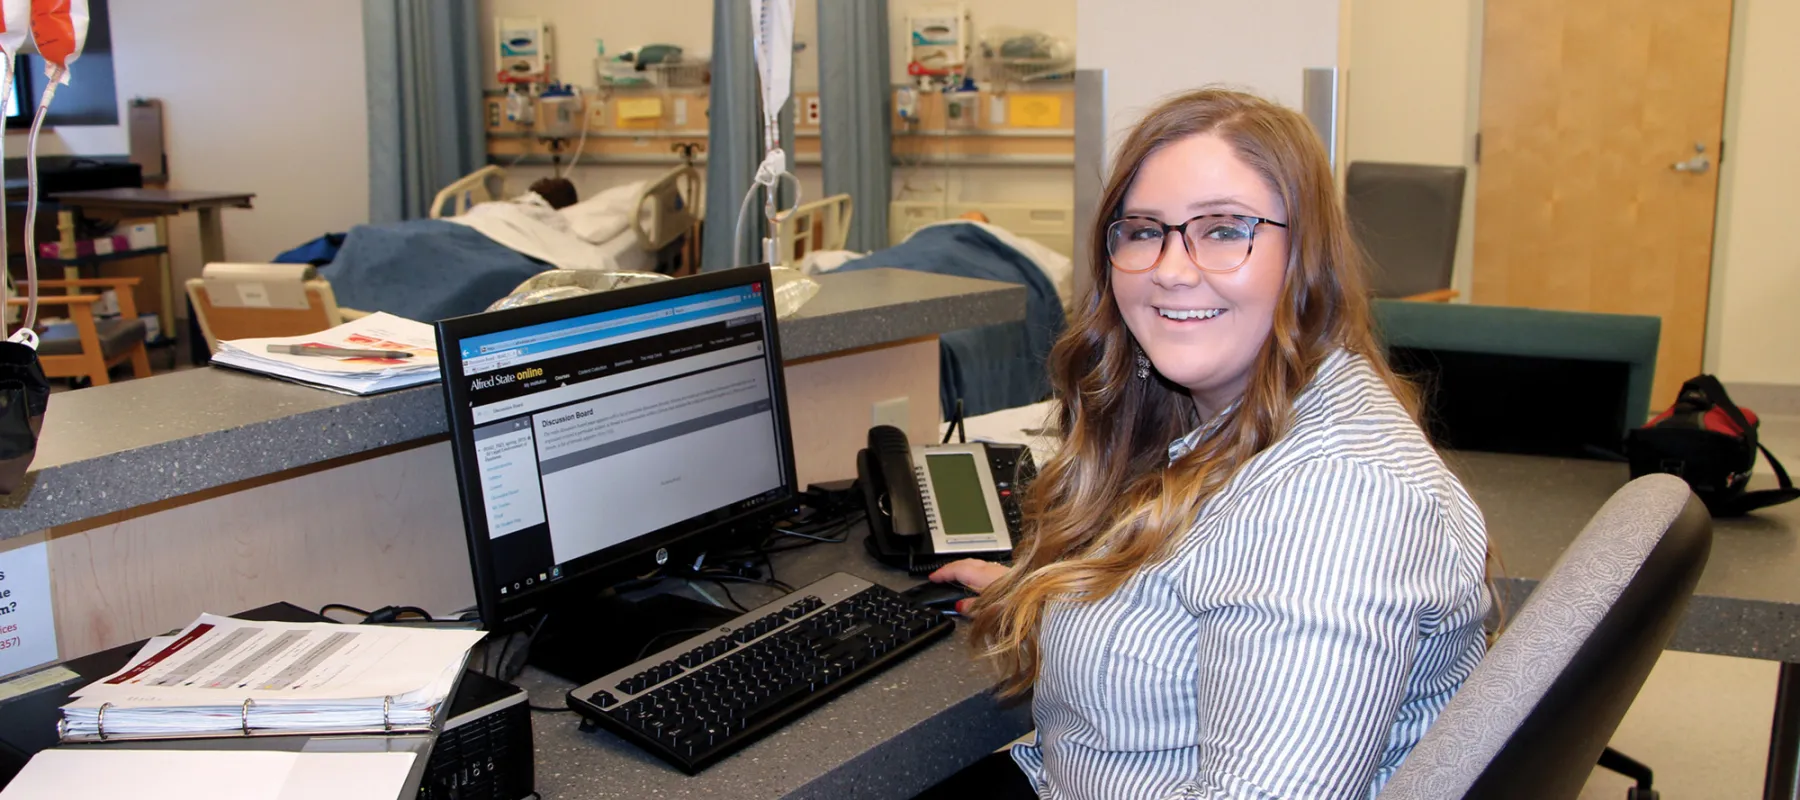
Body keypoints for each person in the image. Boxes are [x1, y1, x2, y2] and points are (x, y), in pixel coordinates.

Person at [918, 88, 1491, 799]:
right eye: (1142, 230)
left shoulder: (1340, 501)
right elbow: (1204, 598)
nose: (1172, 268)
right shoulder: (1225, 418)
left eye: (1223, 230)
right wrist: (1048, 591)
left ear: (1305, 255)